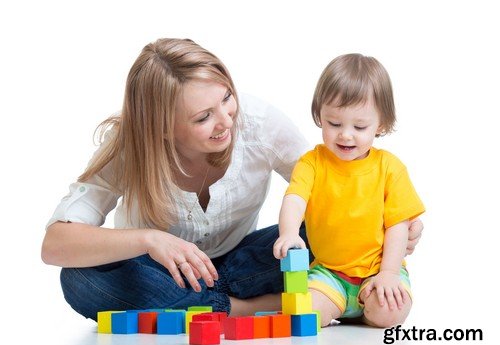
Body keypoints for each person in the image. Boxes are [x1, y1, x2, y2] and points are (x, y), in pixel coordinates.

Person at [41, 39, 423, 322]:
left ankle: (203, 306)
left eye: (227, 98)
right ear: (161, 128)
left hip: (244, 265)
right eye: (203, 116)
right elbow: (55, 245)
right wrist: (149, 239)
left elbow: (328, 189)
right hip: (162, 275)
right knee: (78, 279)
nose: (226, 120)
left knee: (307, 237)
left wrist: (395, 223)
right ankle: (252, 307)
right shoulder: (131, 146)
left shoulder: (259, 124)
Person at [273, 54, 425, 328]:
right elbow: (294, 199)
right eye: (334, 124)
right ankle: (336, 306)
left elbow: (398, 226)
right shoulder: (312, 163)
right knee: (301, 314)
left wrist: (389, 273)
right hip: (329, 274)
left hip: (378, 271)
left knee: (389, 313)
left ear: (381, 124)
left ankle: (367, 309)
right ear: (320, 115)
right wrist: (289, 233)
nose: (345, 135)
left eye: (359, 126)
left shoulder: (390, 168)